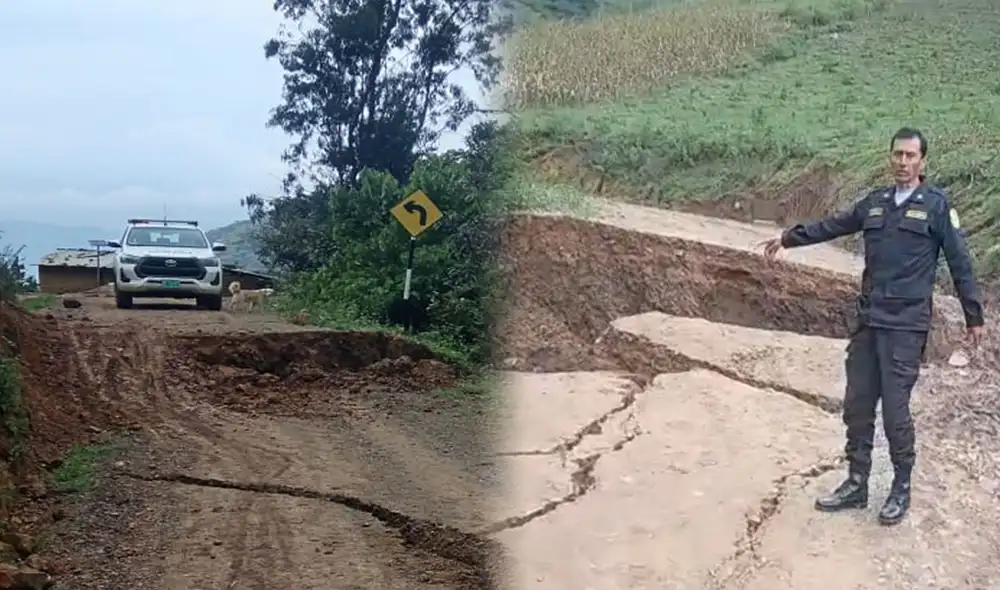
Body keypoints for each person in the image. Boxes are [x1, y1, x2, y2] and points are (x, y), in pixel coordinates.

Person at [758, 127, 985, 526]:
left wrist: (974, 317)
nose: (903, 162)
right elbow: (834, 224)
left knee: (896, 413)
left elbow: (960, 262)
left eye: (911, 156)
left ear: (922, 162)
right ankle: (857, 482)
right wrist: (788, 239)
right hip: (869, 322)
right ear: (889, 158)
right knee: (858, 406)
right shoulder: (876, 203)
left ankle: (900, 488)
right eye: (897, 154)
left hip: (906, 326)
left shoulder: (935, 207)